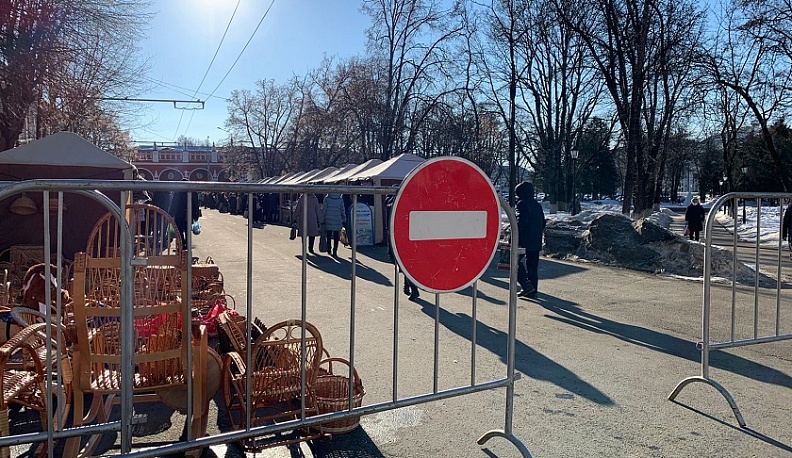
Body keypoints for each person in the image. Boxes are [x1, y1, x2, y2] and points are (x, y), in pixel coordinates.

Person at [385, 194, 419, 300]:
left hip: (397, 235)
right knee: (406, 263)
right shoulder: (406, 201)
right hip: (408, 235)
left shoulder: (390, 203)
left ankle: (413, 289)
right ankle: (407, 287)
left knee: (403, 263)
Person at [515, 182, 545, 299]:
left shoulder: (522, 204)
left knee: (512, 262)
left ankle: (526, 285)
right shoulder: (537, 205)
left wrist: (514, 235)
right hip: (536, 239)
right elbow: (543, 222)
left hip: (523, 240)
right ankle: (533, 290)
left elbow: (521, 222)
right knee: (532, 266)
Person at [152, 179, 200, 250]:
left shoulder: (178, 192)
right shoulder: (193, 191)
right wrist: (196, 215)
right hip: (188, 214)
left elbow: (174, 203)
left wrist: (171, 214)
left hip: (179, 214)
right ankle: (187, 243)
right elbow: (196, 204)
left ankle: (182, 244)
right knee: (187, 230)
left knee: (179, 230)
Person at [321, 193, 346, 257]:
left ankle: (329, 249)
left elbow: (324, 209)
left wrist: (322, 219)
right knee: (336, 236)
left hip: (328, 218)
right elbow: (342, 209)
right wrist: (344, 218)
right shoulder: (340, 199)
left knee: (328, 235)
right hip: (337, 218)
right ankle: (335, 251)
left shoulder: (326, 198)